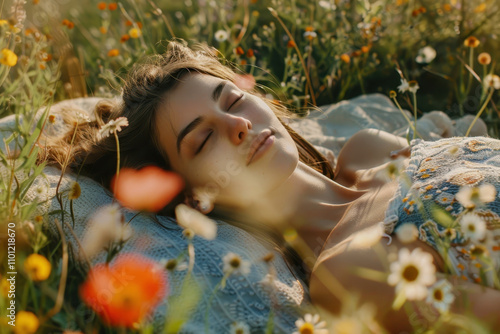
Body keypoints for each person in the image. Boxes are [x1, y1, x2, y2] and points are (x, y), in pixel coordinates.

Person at [41, 39, 500, 331]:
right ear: (192, 198)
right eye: (203, 140)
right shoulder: (346, 272)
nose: (237, 125)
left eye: (235, 100)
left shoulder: (370, 150)